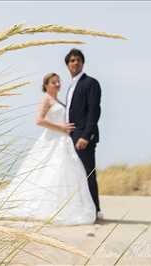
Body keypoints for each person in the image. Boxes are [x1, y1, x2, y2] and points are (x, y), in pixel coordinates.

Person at [0, 72, 96, 225]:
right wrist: (60, 127)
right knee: (51, 169)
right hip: (52, 139)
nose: (57, 84)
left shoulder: (58, 100)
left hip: (63, 140)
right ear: (46, 85)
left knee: (65, 171)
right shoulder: (46, 99)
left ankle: (63, 205)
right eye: (54, 82)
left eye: (58, 82)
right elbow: (39, 120)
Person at [64, 48, 103, 220]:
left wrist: (86, 136)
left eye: (78, 60)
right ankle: (82, 209)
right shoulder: (71, 86)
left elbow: (94, 111)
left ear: (83, 62)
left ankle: (95, 211)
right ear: (67, 65)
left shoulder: (91, 83)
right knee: (75, 174)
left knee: (88, 173)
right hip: (70, 137)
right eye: (72, 60)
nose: (75, 63)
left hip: (83, 137)